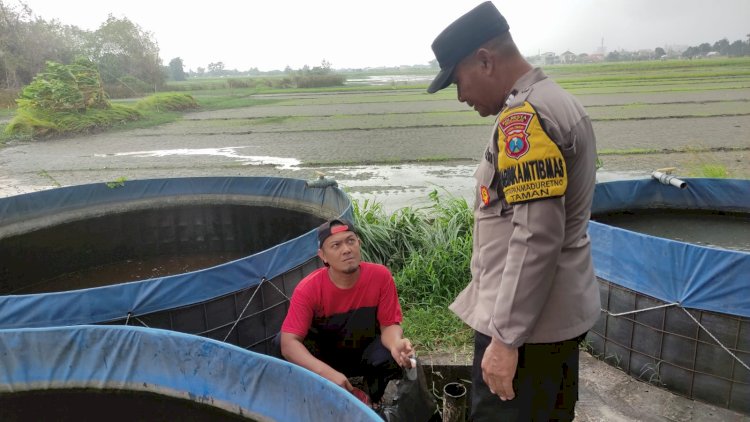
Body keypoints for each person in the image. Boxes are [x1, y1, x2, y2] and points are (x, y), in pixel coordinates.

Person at [426, 2, 601, 421]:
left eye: (458, 81)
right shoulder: (555, 101)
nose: (461, 95)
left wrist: (504, 340)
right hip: (548, 320)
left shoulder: (524, 119)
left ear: (485, 60)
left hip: (525, 332)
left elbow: (536, 236)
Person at [279, 218, 414, 404]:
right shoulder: (308, 289)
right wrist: (327, 374)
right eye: (336, 245)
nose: (346, 249)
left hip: (364, 352)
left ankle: (375, 401)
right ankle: (309, 400)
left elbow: (389, 324)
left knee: (389, 355)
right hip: (325, 356)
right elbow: (288, 343)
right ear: (323, 256)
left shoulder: (380, 276)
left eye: (351, 241)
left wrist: (395, 344)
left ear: (359, 244)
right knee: (279, 344)